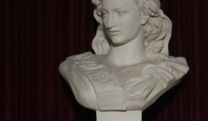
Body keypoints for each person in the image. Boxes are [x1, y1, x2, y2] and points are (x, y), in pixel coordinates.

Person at [59, 0, 188, 111]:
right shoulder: (76, 66)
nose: (109, 23)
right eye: (105, 13)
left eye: (120, 13)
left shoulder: (169, 69)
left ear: (143, 15)